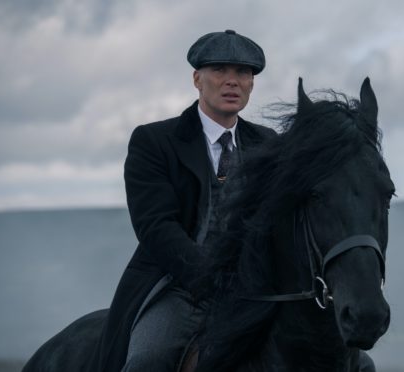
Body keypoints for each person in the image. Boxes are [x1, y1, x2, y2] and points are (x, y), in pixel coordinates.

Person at [88, 30, 276, 372]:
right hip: (178, 287)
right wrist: (212, 279)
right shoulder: (154, 141)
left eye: (243, 73)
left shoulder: (269, 144)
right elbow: (156, 227)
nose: (232, 81)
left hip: (256, 290)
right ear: (197, 79)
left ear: (252, 84)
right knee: (148, 360)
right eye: (219, 70)